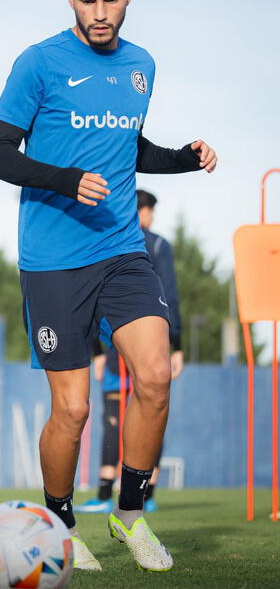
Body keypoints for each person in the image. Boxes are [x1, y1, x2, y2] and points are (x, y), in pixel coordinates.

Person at [0, 0, 217, 572]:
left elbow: (125, 145)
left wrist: (179, 159)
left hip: (121, 249)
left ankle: (131, 515)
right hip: (54, 259)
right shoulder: (38, 64)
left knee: (156, 376)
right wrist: (64, 179)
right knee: (75, 409)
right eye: (87, 1)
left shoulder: (141, 65)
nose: (100, 12)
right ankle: (58, 523)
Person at [77, 189, 184, 514]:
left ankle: (108, 493)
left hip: (113, 343)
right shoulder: (155, 243)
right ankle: (142, 495)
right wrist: (175, 344)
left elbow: (88, 296)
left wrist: (95, 348)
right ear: (142, 210)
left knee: (121, 418)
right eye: (149, 210)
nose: (150, 217)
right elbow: (169, 295)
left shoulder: (105, 238)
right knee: (149, 409)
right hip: (145, 344)